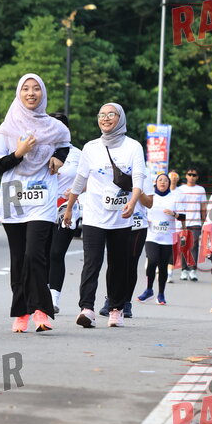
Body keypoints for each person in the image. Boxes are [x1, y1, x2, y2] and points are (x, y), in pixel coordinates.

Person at [0, 74, 71, 332]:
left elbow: (65, 145)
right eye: (25, 88)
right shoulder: (7, 128)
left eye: (36, 88)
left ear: (43, 93)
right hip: (14, 195)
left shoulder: (55, 127)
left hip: (42, 196)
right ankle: (21, 313)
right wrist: (19, 153)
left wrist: (59, 157)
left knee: (35, 253)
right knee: (18, 257)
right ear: (19, 93)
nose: (31, 93)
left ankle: (41, 310)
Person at [62, 103, 145, 328]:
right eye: (101, 114)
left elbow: (138, 178)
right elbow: (80, 179)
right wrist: (69, 208)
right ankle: (87, 309)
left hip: (121, 216)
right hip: (94, 215)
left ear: (120, 118)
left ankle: (116, 309)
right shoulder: (90, 147)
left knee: (118, 264)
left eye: (111, 114)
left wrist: (133, 202)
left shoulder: (133, 147)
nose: (105, 118)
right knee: (92, 262)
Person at [99, 168, 154, 318]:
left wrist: (137, 189)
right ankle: (111, 300)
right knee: (114, 263)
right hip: (116, 223)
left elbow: (149, 203)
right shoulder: (112, 168)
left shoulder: (145, 173)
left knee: (130, 264)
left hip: (137, 225)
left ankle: (126, 302)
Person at [46, 112, 82, 314]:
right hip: (42, 208)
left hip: (67, 209)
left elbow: (90, 180)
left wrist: (77, 191)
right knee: (40, 253)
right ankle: (40, 294)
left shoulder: (78, 154)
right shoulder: (40, 151)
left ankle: (53, 299)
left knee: (56, 253)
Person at [137, 173, 185, 306]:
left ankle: (161, 294)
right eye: (160, 180)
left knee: (163, 266)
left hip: (167, 238)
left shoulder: (174, 198)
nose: (163, 182)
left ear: (169, 183)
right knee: (152, 260)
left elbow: (183, 217)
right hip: (151, 236)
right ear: (156, 183)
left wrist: (174, 214)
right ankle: (148, 289)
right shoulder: (150, 197)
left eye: (165, 180)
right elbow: (141, 212)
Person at [177, 166, 207, 281]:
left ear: (197, 177)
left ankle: (193, 270)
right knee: (184, 245)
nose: (191, 177)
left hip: (195, 222)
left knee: (194, 245)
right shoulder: (180, 189)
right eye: (189, 174)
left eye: (194, 175)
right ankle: (184, 270)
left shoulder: (200, 190)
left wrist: (204, 221)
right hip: (183, 222)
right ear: (186, 176)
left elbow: (203, 207)